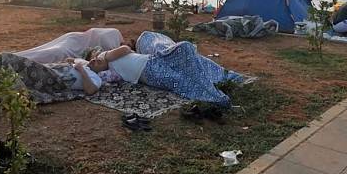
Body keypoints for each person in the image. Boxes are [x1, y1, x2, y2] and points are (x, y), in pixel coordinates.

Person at [86, 33, 241, 106]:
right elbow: (97, 81)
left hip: (152, 62)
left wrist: (104, 56)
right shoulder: (107, 72)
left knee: (186, 55)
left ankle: (222, 78)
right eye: (93, 63)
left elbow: (125, 49)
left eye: (94, 60)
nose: (94, 61)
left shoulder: (107, 56)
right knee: (181, 80)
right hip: (150, 73)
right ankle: (214, 96)